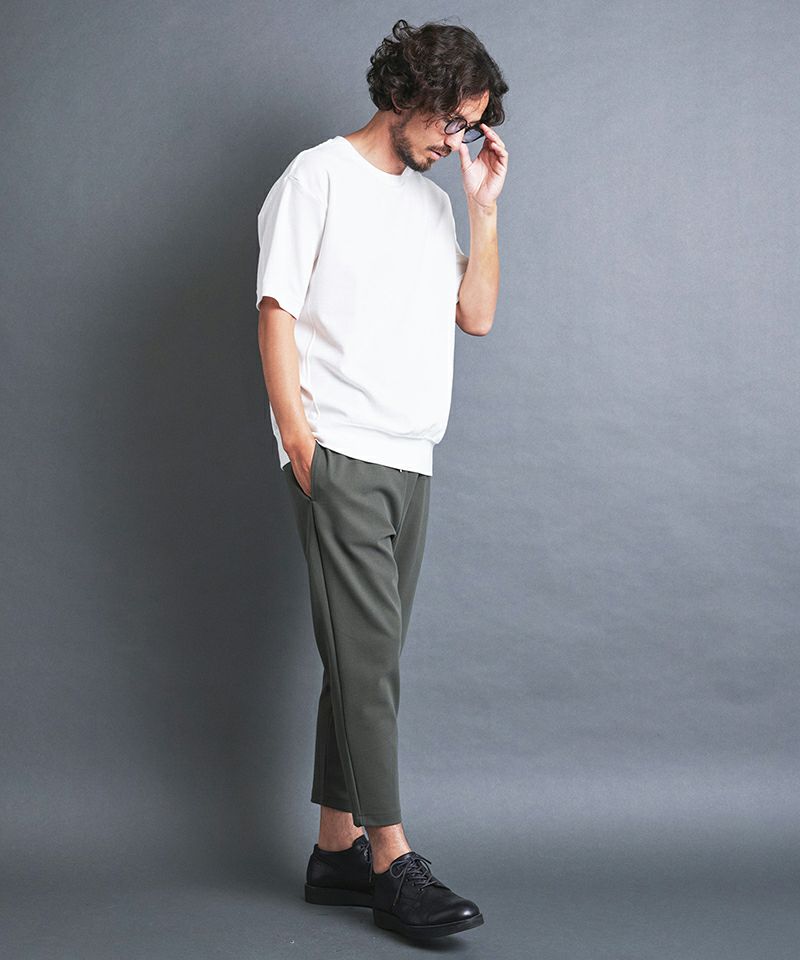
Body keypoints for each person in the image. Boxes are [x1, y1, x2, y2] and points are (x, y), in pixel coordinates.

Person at [255, 18, 508, 941]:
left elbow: (476, 315)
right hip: (341, 452)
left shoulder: (436, 207)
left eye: (472, 126)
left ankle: (335, 853)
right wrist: (300, 443)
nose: (456, 140)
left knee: (362, 656)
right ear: (404, 92)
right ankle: (393, 861)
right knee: (371, 665)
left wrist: (483, 208)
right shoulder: (315, 177)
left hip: (411, 457)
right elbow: (276, 310)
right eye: (451, 120)